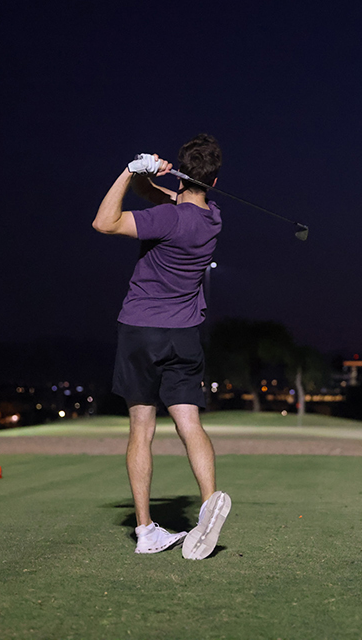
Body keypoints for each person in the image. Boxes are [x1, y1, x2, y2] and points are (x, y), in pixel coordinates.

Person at [92, 134, 231, 560]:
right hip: (185, 334)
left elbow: (104, 222)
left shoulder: (165, 221)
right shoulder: (213, 219)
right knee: (190, 424)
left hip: (140, 330)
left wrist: (128, 170)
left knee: (142, 430)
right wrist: (153, 176)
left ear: (184, 173)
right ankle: (208, 504)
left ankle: (146, 530)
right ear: (215, 178)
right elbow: (168, 198)